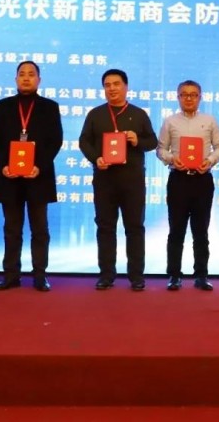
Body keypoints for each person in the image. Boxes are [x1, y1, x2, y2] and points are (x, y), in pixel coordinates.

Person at [79, 68, 157, 291]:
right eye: (107, 85)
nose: (112, 88)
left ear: (126, 86)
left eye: (116, 84)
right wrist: (96, 158)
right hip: (104, 180)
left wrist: (137, 140)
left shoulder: (139, 114)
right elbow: (84, 142)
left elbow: (152, 142)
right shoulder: (95, 114)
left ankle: (136, 276)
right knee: (105, 227)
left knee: (135, 228)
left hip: (132, 181)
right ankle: (106, 275)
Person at [0, 61, 63, 292]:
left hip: (38, 176)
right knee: (12, 229)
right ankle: (11, 275)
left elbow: (55, 140)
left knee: (40, 230)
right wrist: (3, 165)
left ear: (39, 80)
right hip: (9, 177)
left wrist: (39, 166)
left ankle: (40, 275)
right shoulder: (3, 106)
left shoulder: (49, 107)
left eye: (31, 74)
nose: (26, 78)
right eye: (22, 74)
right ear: (16, 79)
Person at [156, 80, 219, 291]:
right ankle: (174, 275)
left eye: (193, 94)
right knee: (176, 230)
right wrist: (171, 158)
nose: (189, 98)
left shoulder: (209, 120)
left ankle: (201, 275)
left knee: (201, 231)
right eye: (184, 94)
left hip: (202, 179)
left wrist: (210, 160)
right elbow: (160, 149)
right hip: (178, 179)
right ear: (178, 97)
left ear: (200, 97)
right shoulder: (170, 121)